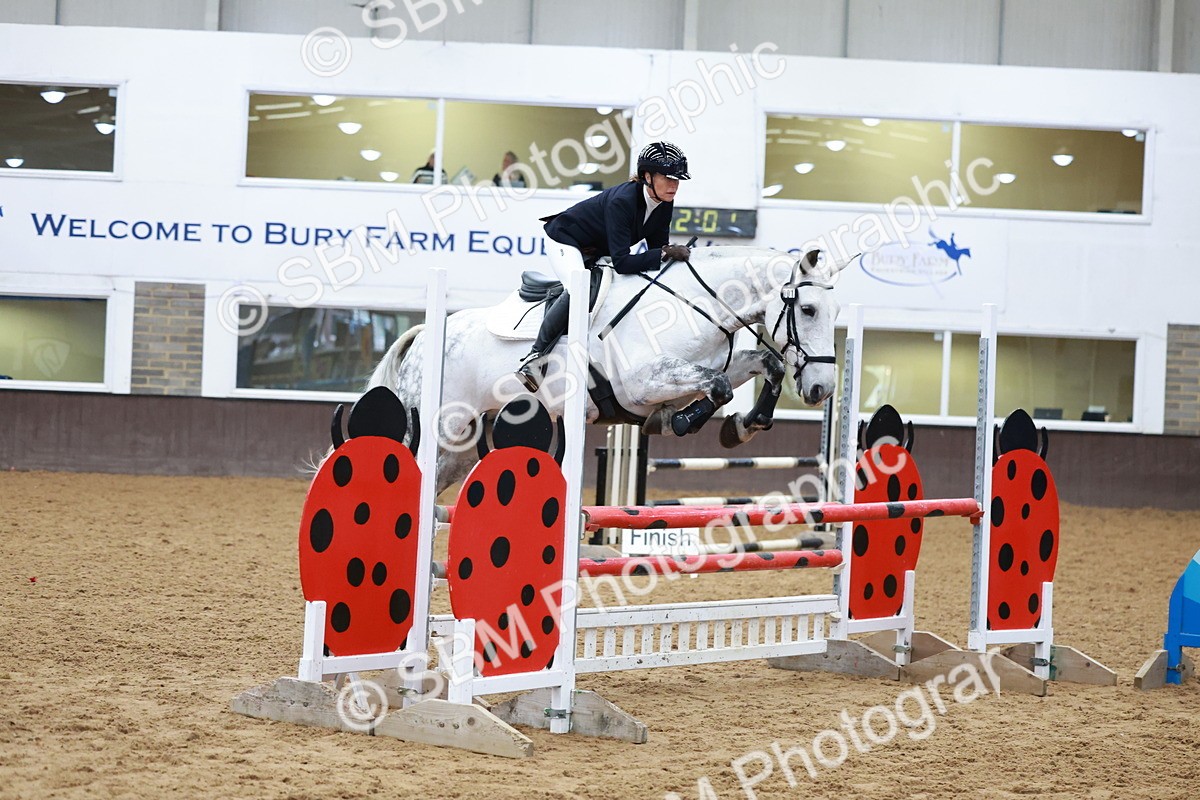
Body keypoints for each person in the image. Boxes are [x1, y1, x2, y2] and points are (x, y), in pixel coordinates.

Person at [515, 141, 692, 392]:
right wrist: (664, 253)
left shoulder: (664, 203)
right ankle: (535, 357)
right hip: (566, 239)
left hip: (597, 249)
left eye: (677, 179)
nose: (674, 185)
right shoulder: (623, 201)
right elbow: (622, 262)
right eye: (668, 178)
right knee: (579, 286)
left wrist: (667, 256)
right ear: (647, 176)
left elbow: (656, 251)